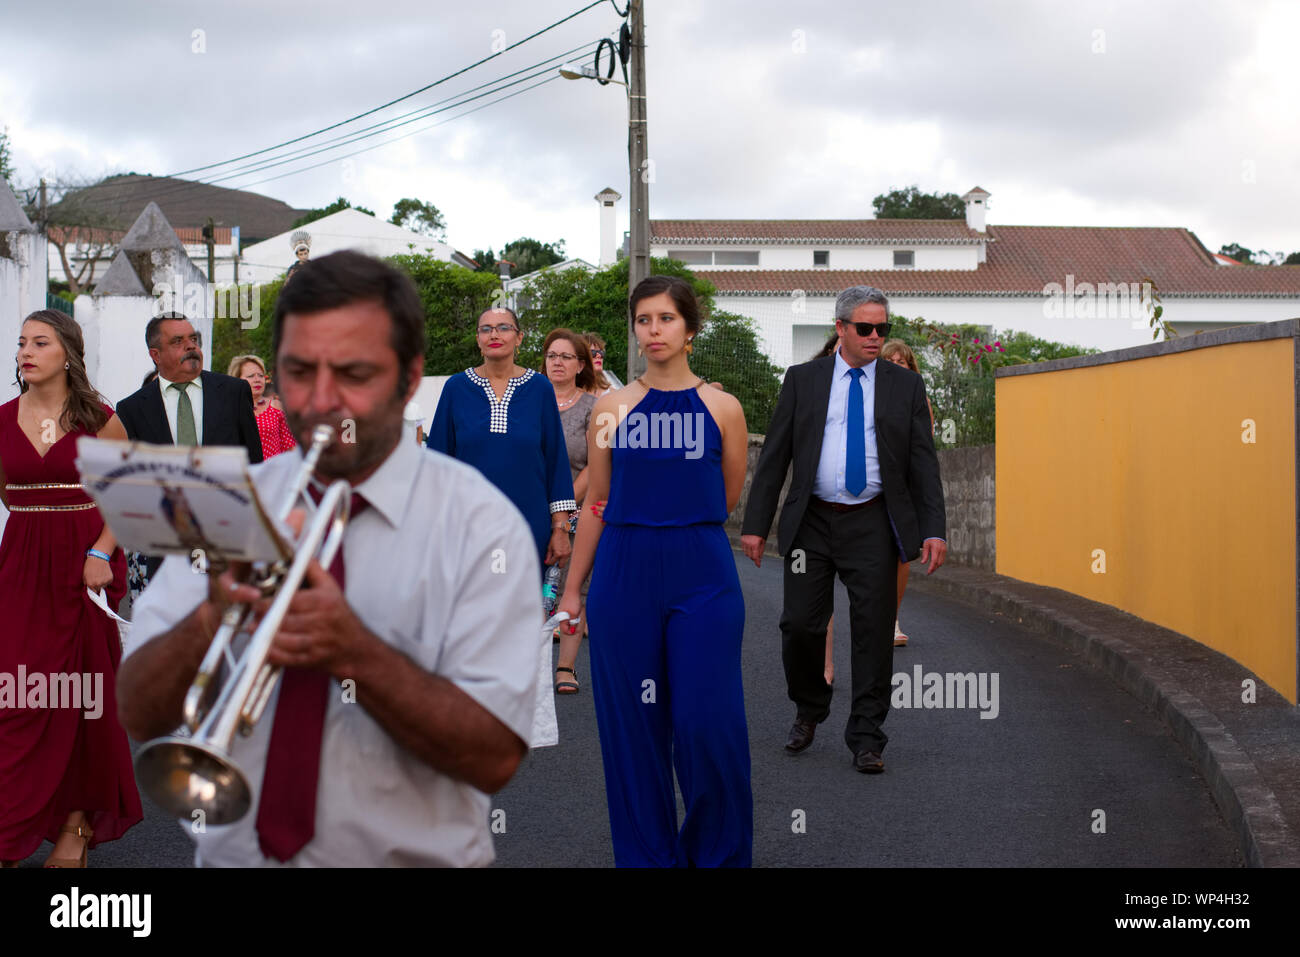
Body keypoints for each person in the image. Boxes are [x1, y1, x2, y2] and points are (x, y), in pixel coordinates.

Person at [117, 250, 543, 867]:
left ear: (409, 374)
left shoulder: (482, 524)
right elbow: (137, 709)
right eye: (298, 370)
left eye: (353, 371)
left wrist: (352, 651)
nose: (321, 400)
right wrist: (210, 616)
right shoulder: (230, 500)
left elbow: (495, 756)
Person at [558, 275, 752, 867]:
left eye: (666, 318)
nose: (654, 329)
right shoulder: (610, 409)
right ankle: (648, 859)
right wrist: (573, 589)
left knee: (706, 723)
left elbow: (726, 495)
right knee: (632, 732)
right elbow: (598, 502)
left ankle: (715, 855)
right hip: (625, 573)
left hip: (703, 571)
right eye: (644, 319)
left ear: (690, 330)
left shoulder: (724, 408)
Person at [741, 286, 946, 775]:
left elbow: (923, 463)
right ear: (840, 329)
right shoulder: (802, 380)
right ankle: (810, 707)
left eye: (883, 329)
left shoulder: (905, 386)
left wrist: (933, 530)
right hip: (811, 522)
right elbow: (775, 458)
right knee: (799, 625)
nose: (875, 337)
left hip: (874, 521)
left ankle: (867, 737)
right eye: (865, 328)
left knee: (874, 634)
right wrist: (755, 526)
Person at [0, 309, 143, 868]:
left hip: (87, 566)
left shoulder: (101, 420)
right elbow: (11, 497)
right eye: (20, 344)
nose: (25, 352)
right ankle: (12, 824)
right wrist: (40, 529)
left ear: (68, 354)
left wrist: (99, 550)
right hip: (21, 568)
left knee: (85, 697)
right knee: (19, 695)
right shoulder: (2, 418)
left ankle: (76, 827)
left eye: (40, 342)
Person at [116, 313, 263, 579]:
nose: (191, 346)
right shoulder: (133, 409)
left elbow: (253, 462)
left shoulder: (233, 393)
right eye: (178, 341)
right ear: (156, 355)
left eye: (193, 339)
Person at [426, 307, 574, 570]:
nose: (495, 334)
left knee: (520, 606)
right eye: (486, 329)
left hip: (528, 524)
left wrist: (560, 528)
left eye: (504, 327)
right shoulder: (456, 388)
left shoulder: (540, 388)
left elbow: (556, 461)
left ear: (519, 338)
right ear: (478, 339)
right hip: (465, 526)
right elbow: (437, 462)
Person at [542, 329, 596, 694]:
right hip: (529, 507)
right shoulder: (530, 399)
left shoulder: (594, 407)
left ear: (580, 365)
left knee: (572, 588)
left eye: (565, 356)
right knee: (530, 588)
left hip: (578, 510)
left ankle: (565, 668)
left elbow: (596, 465)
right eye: (551, 355)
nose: (557, 362)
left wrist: (562, 506)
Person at [228, 354, 297, 458]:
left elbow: (290, 448)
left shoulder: (276, 406)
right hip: (240, 472)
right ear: (236, 379)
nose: (257, 380)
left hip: (272, 472)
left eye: (261, 375)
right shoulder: (228, 409)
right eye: (251, 376)